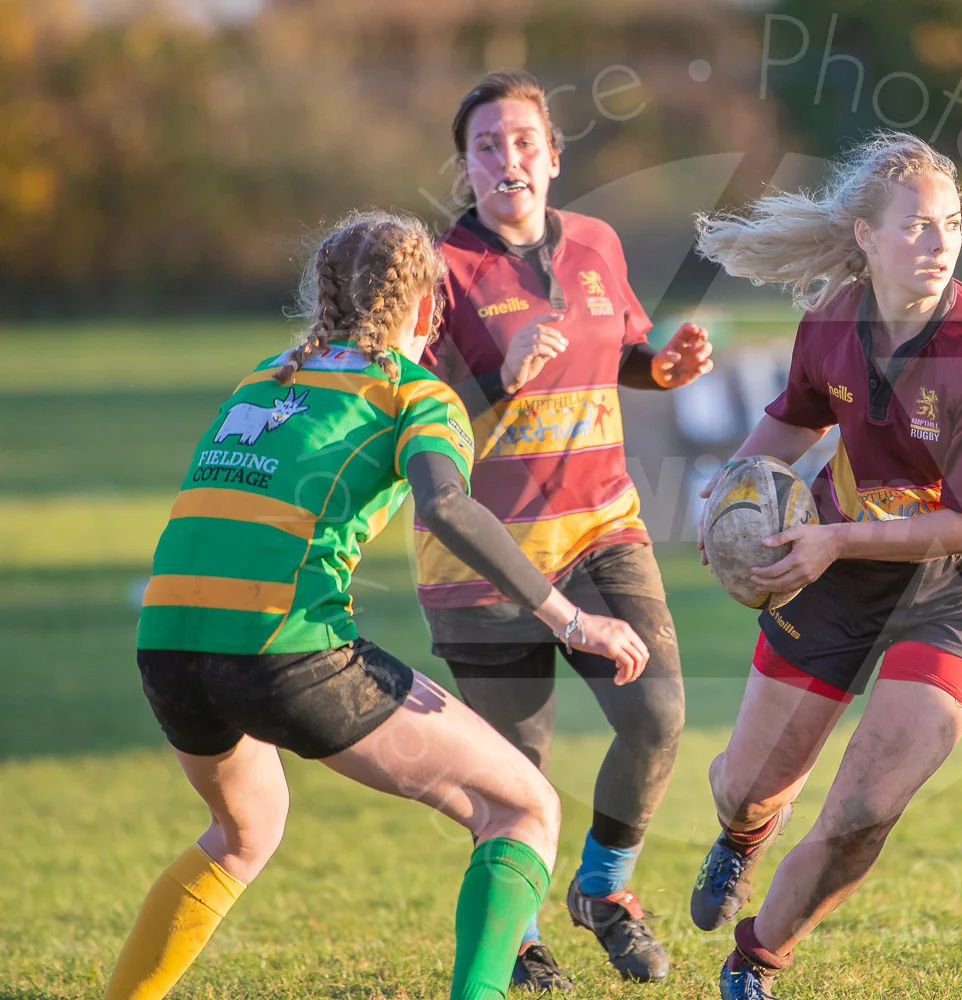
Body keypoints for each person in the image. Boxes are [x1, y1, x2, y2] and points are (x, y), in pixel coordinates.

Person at [110, 211, 651, 1000]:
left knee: (243, 832)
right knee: (525, 807)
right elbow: (446, 508)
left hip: (166, 642)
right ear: (429, 308)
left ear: (324, 296)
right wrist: (570, 617)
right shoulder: (415, 393)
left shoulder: (265, 377)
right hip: (281, 647)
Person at [690, 133, 962, 999]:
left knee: (862, 811)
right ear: (865, 237)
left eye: (951, 226)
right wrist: (728, 496)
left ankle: (755, 963)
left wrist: (834, 540)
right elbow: (795, 417)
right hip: (848, 555)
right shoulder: (833, 323)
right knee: (744, 788)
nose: (938, 243)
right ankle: (743, 836)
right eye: (917, 227)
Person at [412, 70, 714, 990]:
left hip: (601, 531)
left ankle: (606, 890)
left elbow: (622, 353)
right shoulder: (439, 272)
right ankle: (526, 931)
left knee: (658, 714)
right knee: (518, 774)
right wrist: (494, 374)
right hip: (484, 558)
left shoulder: (596, 243)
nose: (510, 158)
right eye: (488, 145)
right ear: (467, 167)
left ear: (553, 155)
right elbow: (413, 412)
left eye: (524, 141)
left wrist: (664, 368)